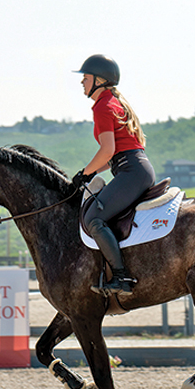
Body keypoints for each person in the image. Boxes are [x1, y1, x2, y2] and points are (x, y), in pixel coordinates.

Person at [72, 54, 156, 296]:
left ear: (99, 80)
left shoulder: (103, 107)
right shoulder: (112, 103)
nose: (82, 83)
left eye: (86, 78)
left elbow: (107, 150)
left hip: (131, 171)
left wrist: (84, 173)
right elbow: (113, 156)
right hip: (133, 168)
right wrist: (89, 173)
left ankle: (121, 277)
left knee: (93, 220)